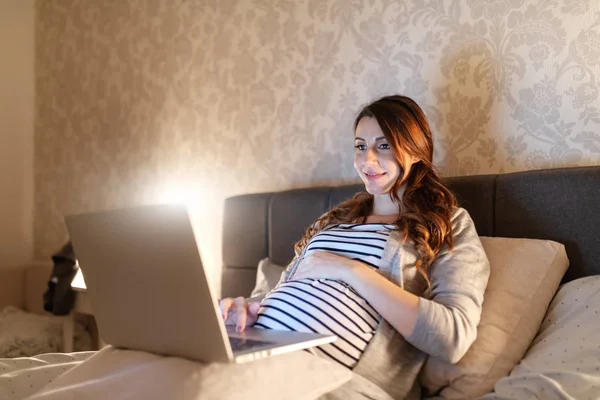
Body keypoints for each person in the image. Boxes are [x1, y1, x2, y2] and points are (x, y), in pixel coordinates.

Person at [219, 95, 490, 399]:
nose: (367, 160)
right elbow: (285, 293)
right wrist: (248, 309)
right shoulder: (332, 220)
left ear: (416, 150)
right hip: (252, 354)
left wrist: (349, 269)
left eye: (383, 145)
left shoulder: (445, 222)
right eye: (361, 146)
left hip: (320, 378)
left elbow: (451, 337)